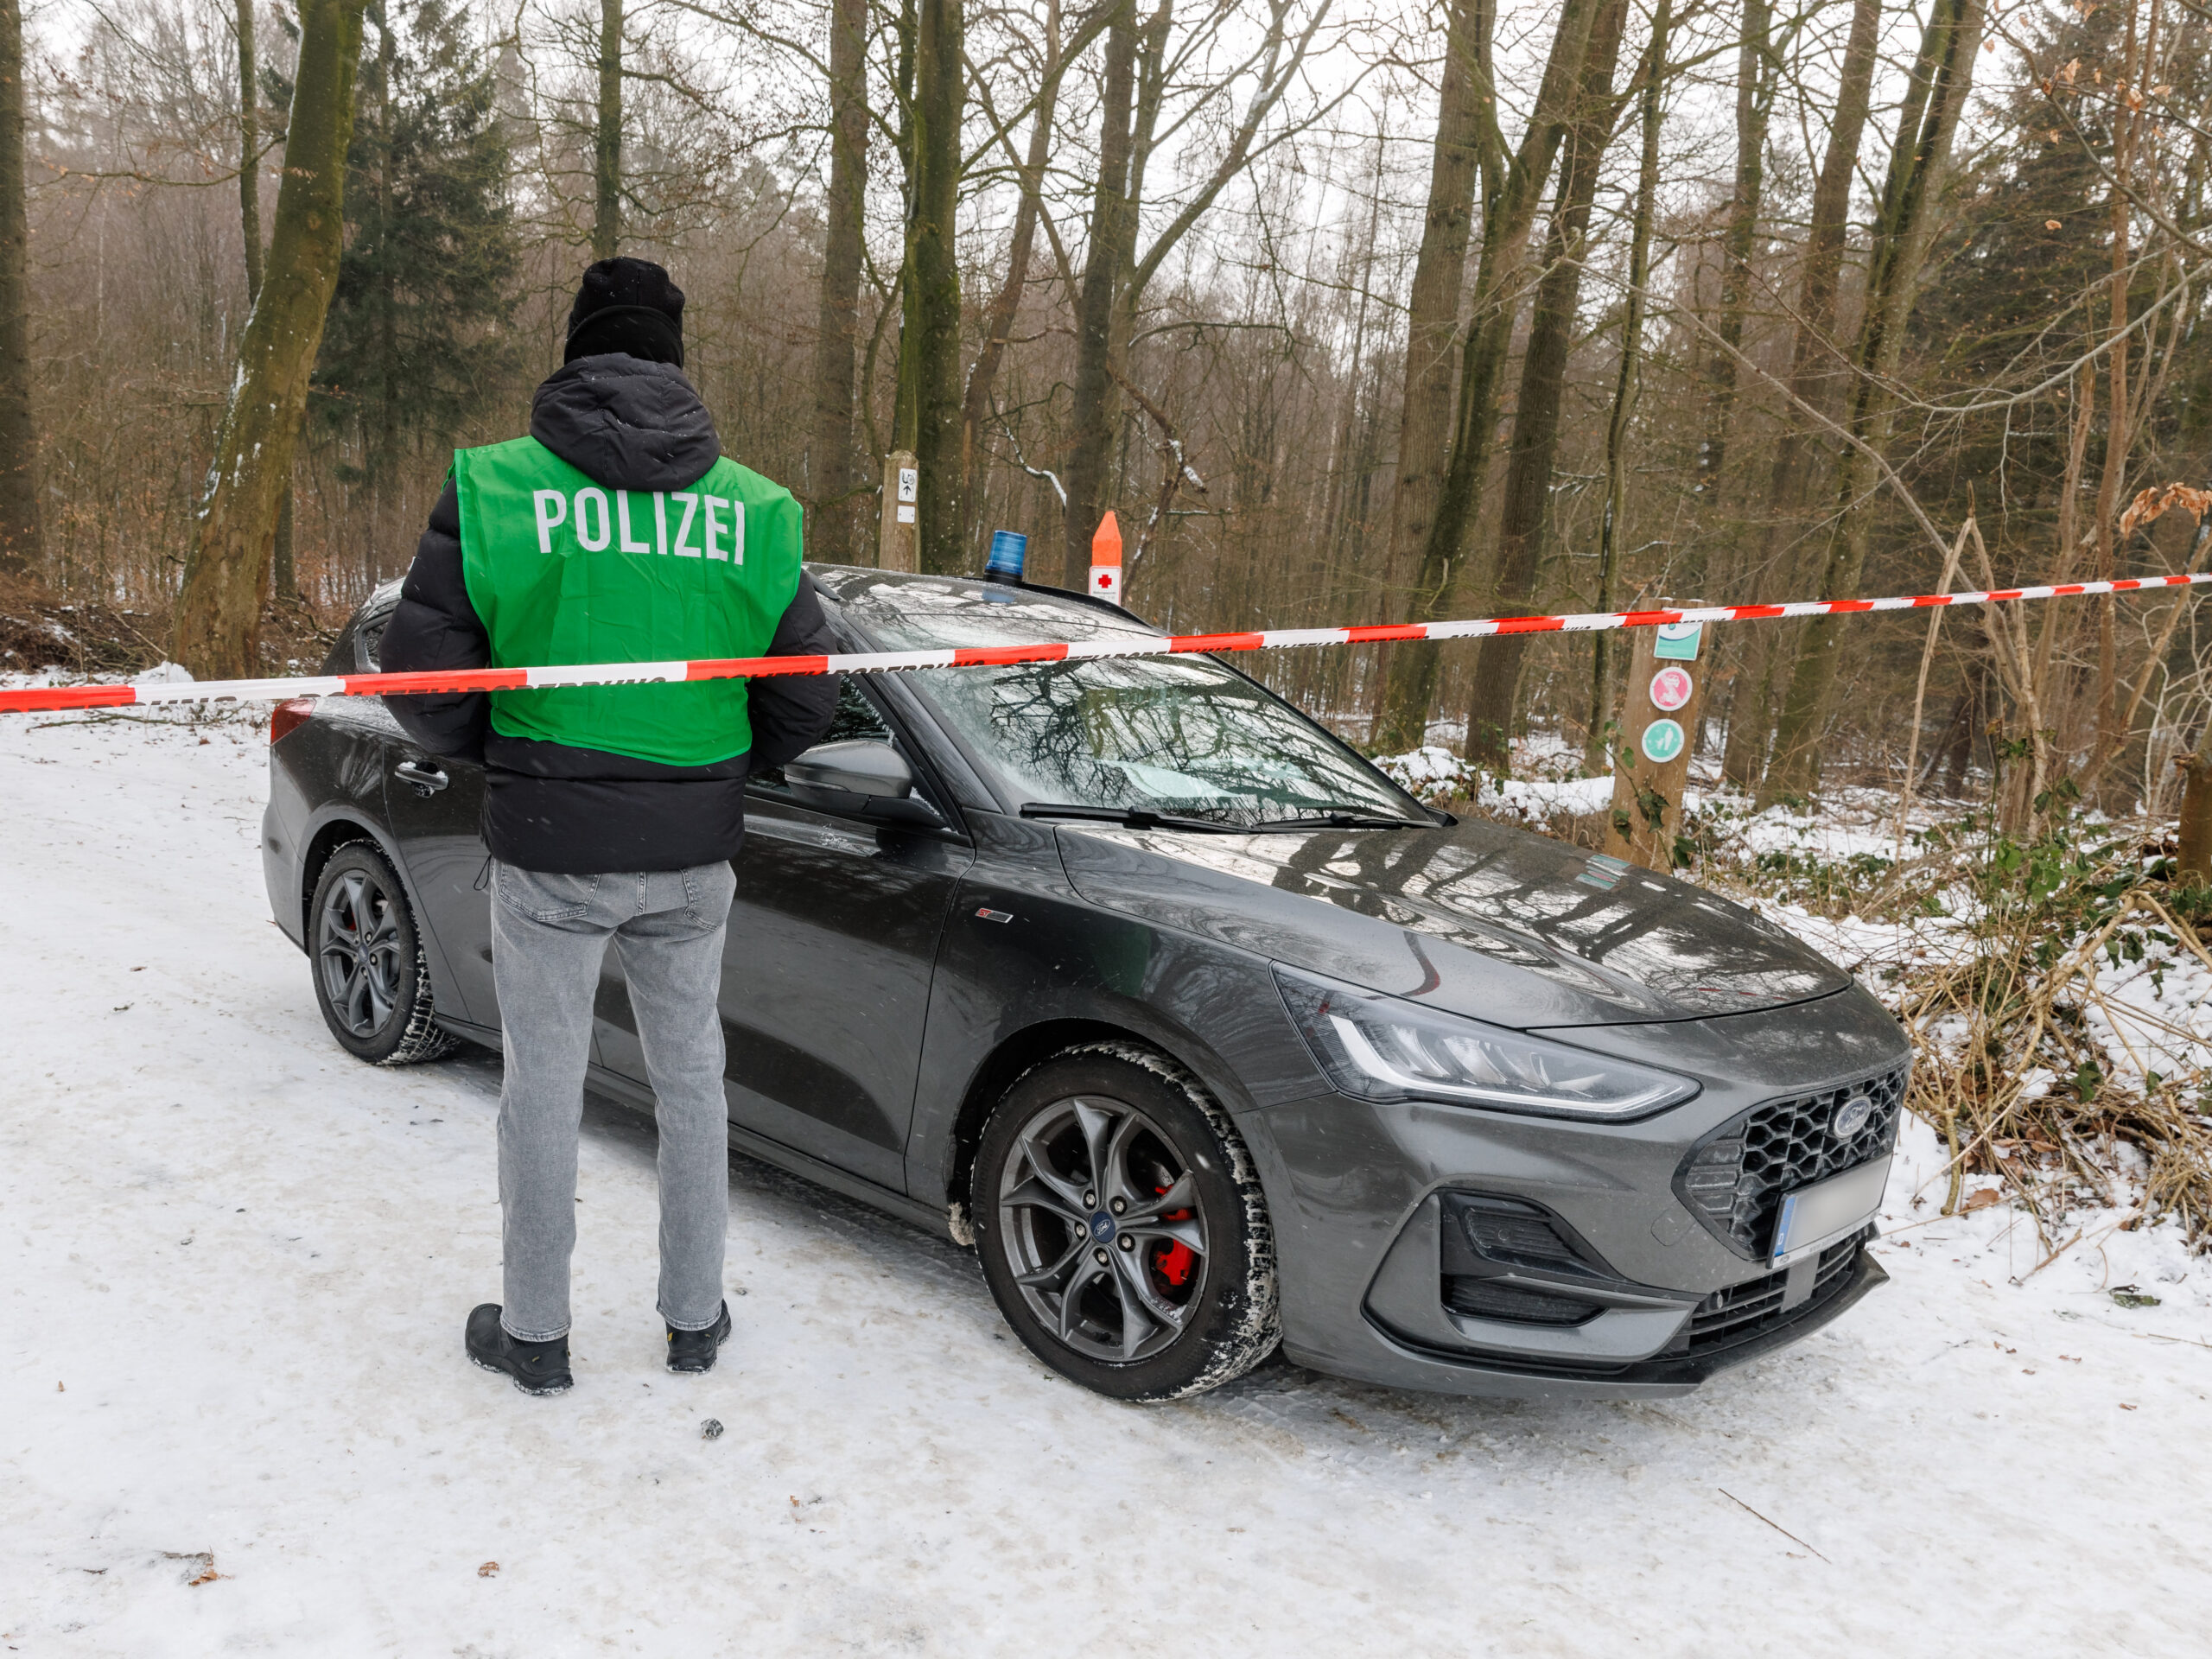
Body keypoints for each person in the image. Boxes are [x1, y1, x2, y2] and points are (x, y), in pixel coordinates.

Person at [378, 258, 840, 1395]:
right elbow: (807, 697)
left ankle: (536, 1335)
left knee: (544, 1089)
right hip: (692, 858)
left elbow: (423, 682)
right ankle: (694, 1319)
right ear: (675, 358)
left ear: (576, 350)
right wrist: (711, 772)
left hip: (550, 847)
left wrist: (518, 754)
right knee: (693, 1084)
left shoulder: (495, 487)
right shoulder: (757, 511)